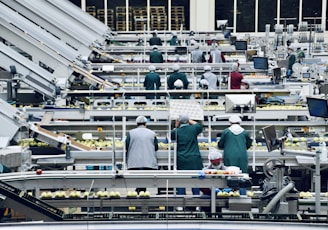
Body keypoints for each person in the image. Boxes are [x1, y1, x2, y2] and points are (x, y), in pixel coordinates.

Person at [170, 114, 203, 195]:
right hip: (194, 158)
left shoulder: (176, 131)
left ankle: (181, 202)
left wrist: (177, 126)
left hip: (182, 158)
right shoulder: (194, 128)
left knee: (181, 180)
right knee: (195, 180)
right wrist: (189, 120)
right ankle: (196, 200)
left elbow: (172, 137)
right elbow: (200, 125)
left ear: (179, 121)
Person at [125, 116, 159, 193]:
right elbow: (156, 147)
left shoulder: (131, 133)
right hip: (149, 162)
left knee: (139, 180)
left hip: (134, 163)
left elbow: (126, 146)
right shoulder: (152, 133)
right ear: (146, 123)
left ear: (137, 124)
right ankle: (142, 193)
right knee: (143, 180)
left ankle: (140, 193)